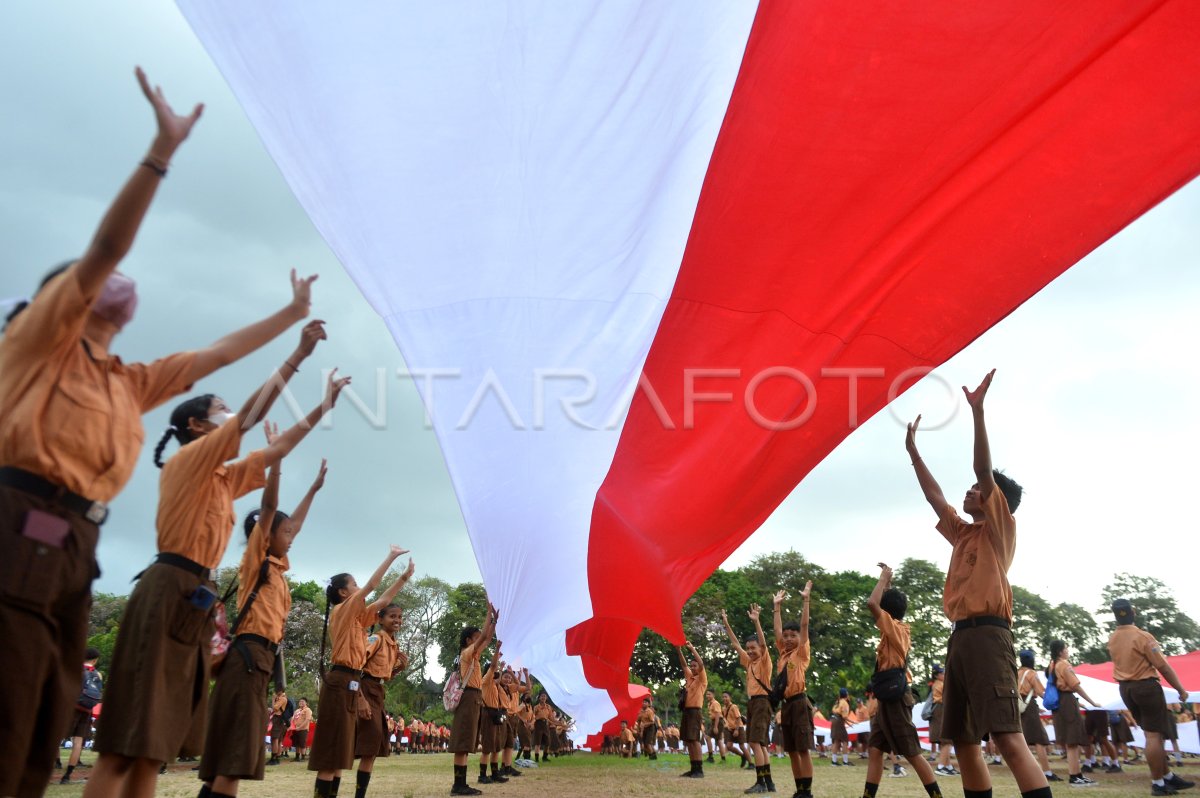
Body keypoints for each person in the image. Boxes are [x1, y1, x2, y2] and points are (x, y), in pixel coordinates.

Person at [0, 67, 325, 798]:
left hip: (79, 548)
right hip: (20, 524)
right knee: (24, 716)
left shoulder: (127, 379)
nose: (115, 285)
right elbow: (106, 252)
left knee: (60, 724)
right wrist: (160, 155)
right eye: (207, 413)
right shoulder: (36, 347)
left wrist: (289, 323)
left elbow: (219, 360)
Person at [88, 342, 344, 798]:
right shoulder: (190, 460)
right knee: (129, 741)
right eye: (219, 410)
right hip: (172, 585)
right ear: (195, 425)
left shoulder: (223, 479)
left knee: (154, 743)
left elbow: (278, 450)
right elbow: (250, 426)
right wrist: (299, 352)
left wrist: (324, 404)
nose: (229, 416)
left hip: (196, 597)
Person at [905, 369, 1053, 798]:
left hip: (990, 636)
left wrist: (977, 412)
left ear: (995, 501)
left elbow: (984, 469)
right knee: (964, 740)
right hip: (960, 639)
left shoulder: (999, 530)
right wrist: (914, 454)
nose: (969, 493)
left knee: (1007, 737)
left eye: (976, 491)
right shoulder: (963, 532)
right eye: (968, 490)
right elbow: (935, 497)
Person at [195, 455, 323, 796]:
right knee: (235, 754)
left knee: (232, 751)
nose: (291, 536)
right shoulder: (255, 561)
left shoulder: (277, 568)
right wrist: (277, 464)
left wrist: (312, 489)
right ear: (264, 535)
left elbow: (291, 522)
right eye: (284, 532)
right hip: (248, 657)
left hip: (260, 661)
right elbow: (270, 508)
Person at [309, 546, 411, 798]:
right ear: (344, 592)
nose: (359, 588)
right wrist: (391, 556)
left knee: (342, 751)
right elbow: (373, 585)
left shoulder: (357, 618)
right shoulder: (342, 611)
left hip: (352, 681)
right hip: (342, 679)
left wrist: (404, 578)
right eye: (354, 585)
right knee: (331, 752)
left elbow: (383, 602)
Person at [861, 563, 942, 798]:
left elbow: (872, 604)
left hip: (897, 698)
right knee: (875, 749)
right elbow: (881, 605)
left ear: (887, 612)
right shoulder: (893, 629)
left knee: (912, 752)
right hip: (887, 698)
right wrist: (888, 585)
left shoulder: (896, 629)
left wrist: (882, 578)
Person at [1107, 598, 1193, 795]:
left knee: (1152, 734)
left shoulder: (1113, 638)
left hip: (1126, 688)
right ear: (1133, 613)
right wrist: (1180, 689)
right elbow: (1162, 665)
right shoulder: (1142, 636)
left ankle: (1167, 777)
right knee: (1154, 736)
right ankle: (1158, 783)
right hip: (1145, 686)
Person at [354, 586, 415, 798]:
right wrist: (360, 698)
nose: (397, 620)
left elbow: (384, 674)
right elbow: (357, 668)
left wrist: (399, 667)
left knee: (373, 746)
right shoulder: (377, 639)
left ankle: (360, 794)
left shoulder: (393, 644)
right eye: (392, 616)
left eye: (400, 617)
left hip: (378, 691)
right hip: (366, 689)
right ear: (380, 619)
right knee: (368, 744)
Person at [721, 604, 774, 794]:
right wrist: (726, 623)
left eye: (753, 648)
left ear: (760, 649)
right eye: (748, 649)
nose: (750, 651)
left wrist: (756, 620)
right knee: (760, 744)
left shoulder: (764, 661)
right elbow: (735, 644)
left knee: (754, 743)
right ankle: (769, 782)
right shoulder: (749, 662)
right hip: (753, 703)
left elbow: (764, 643)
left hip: (762, 701)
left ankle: (761, 782)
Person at [448, 600, 498, 795]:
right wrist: (488, 614)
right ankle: (458, 785)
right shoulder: (468, 653)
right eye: (476, 638)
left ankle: (461, 784)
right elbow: (485, 636)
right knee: (463, 742)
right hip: (469, 697)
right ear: (469, 640)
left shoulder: (473, 655)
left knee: (467, 742)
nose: (480, 642)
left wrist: (494, 622)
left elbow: (487, 637)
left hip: (474, 698)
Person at [772, 583, 815, 798]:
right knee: (791, 751)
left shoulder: (800, 653)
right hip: (786, 705)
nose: (788, 639)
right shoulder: (783, 654)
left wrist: (806, 600)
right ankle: (799, 790)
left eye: (792, 636)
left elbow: (805, 625)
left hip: (799, 703)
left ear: (799, 638)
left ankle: (807, 792)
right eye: (786, 636)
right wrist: (776, 608)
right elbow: (777, 631)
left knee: (803, 749)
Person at [1047, 640, 1103, 786]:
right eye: (1066, 648)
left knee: (1069, 740)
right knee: (1072, 740)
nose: (1067, 651)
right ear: (1060, 651)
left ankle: (1077, 774)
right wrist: (1092, 702)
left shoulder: (1051, 665)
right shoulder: (1064, 664)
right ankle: (1074, 776)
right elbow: (1075, 686)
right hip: (1067, 701)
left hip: (1058, 703)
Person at [60, 647, 104, 784]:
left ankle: (52, 765)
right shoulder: (98, 674)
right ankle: (67, 776)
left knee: (57, 737)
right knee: (78, 743)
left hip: (72, 707)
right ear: (95, 660)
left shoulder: (76, 670)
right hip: (87, 710)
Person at [1017, 649, 1060, 783]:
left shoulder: (1017, 673)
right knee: (1039, 739)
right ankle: (1047, 772)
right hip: (1029, 707)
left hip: (1018, 706)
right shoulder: (1031, 673)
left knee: (1023, 741)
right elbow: (1041, 692)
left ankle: (1025, 771)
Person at [678, 641, 708, 778]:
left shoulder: (701, 679)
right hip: (687, 711)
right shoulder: (690, 678)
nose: (693, 668)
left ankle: (699, 769)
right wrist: (678, 649)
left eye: (694, 666)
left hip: (695, 711)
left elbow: (701, 665)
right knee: (688, 740)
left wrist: (692, 648)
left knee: (695, 740)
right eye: (692, 666)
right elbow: (683, 665)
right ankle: (693, 768)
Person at [478, 655, 507, 784]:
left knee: (496, 746)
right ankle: (482, 775)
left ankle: (495, 774)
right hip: (488, 714)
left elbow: (497, 677)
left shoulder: (494, 684)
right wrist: (496, 654)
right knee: (487, 746)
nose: (495, 674)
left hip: (495, 714)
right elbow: (492, 668)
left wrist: (501, 668)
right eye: (493, 672)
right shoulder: (485, 681)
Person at [928, 665, 957, 776]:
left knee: (945, 741)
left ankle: (947, 766)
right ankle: (941, 767)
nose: (944, 674)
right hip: (941, 709)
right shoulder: (941, 685)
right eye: (942, 673)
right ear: (936, 675)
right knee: (947, 740)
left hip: (939, 710)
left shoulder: (937, 684)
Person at [722, 692, 749, 768]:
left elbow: (738, 718)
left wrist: (737, 730)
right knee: (729, 746)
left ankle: (751, 763)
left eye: (726, 697)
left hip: (738, 727)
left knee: (742, 746)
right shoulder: (723, 708)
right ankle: (742, 756)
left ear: (730, 698)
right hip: (730, 729)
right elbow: (725, 718)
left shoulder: (734, 707)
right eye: (723, 697)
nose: (724, 698)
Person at [831, 689, 852, 766]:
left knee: (836, 741)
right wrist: (852, 722)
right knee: (845, 740)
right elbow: (844, 716)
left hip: (834, 720)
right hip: (839, 721)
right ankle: (845, 762)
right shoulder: (845, 703)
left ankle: (834, 761)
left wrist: (848, 723)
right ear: (846, 695)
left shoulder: (838, 702)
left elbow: (834, 711)